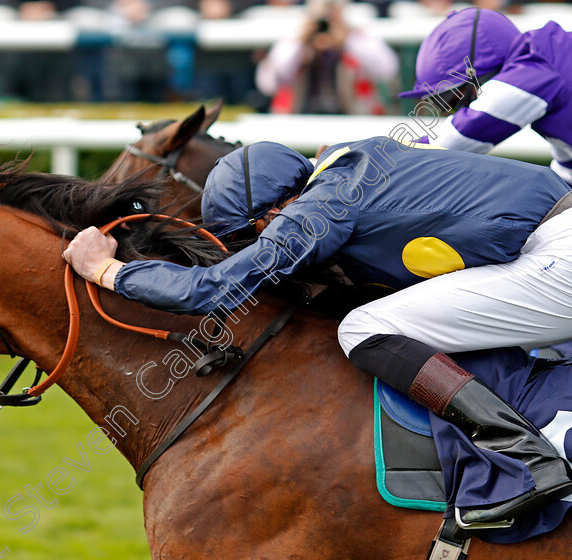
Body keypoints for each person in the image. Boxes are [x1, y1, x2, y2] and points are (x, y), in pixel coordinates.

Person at [63, 137, 572, 527]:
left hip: (556, 256)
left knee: (364, 327)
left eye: (256, 234)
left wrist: (108, 272)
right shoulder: (351, 165)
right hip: (549, 244)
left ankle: (528, 459)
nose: (265, 243)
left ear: (275, 210)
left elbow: (215, 290)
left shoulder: (322, 205)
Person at [399, 7, 572, 185]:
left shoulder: (535, 70)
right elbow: (566, 174)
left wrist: (387, 157)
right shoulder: (550, 58)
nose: (454, 112)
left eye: (454, 101)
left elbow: (453, 140)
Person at [255, 0, 399, 114]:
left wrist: (347, 40)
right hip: (302, 116)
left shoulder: (357, 36)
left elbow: (387, 70)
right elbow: (268, 84)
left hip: (352, 117)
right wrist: (300, 43)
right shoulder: (295, 37)